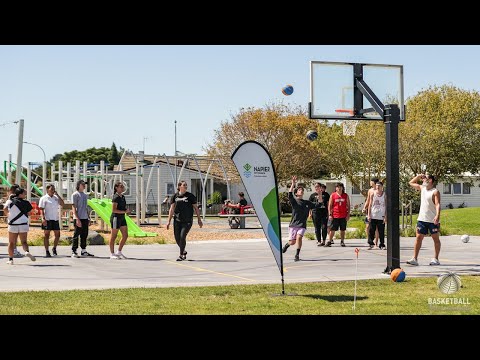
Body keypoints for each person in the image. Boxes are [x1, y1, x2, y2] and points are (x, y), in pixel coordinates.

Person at [406, 174, 441, 266]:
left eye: (425, 178)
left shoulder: (435, 192)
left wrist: (437, 216)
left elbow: (437, 204)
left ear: (430, 180)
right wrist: (418, 176)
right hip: (422, 219)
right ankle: (415, 259)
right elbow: (411, 183)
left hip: (432, 220)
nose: (423, 179)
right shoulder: (422, 188)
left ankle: (436, 259)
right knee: (418, 238)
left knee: (435, 239)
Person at [166, 180, 203, 261]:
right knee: (177, 238)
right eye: (184, 185)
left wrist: (199, 220)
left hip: (187, 221)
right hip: (177, 220)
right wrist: (168, 221)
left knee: (182, 237)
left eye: (186, 185)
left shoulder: (190, 196)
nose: (186, 186)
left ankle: (181, 255)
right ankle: (183, 250)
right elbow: (171, 209)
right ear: (179, 186)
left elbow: (196, 208)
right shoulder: (174, 196)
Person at [282, 176, 315, 261]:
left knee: (299, 238)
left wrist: (319, 194)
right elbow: (289, 194)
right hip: (293, 224)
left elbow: (318, 205)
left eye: (302, 190)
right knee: (292, 242)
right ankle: (286, 245)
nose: (301, 191)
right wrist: (293, 183)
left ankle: (297, 255)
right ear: (296, 193)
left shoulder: (307, 202)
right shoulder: (294, 201)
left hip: (302, 225)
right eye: (300, 190)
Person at [3, 187, 36, 265]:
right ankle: (26, 251)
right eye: (24, 193)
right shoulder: (26, 202)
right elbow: (29, 213)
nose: (25, 194)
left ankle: (10, 259)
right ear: (20, 194)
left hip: (13, 224)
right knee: (24, 241)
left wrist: (8, 215)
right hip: (23, 224)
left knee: (11, 242)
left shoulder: (10, 201)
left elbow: (4, 208)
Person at [38, 184, 65, 257]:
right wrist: (43, 218)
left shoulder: (56, 198)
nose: (53, 190)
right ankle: (47, 250)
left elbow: (62, 204)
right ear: (47, 190)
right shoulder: (43, 198)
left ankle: (54, 248)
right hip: (47, 219)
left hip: (55, 219)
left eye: (54, 189)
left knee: (57, 235)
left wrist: (58, 195)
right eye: (51, 189)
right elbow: (41, 209)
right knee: (46, 235)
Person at [71, 180, 94, 258]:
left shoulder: (85, 195)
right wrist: (77, 219)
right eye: (83, 184)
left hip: (85, 217)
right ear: (79, 185)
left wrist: (88, 218)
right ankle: (74, 251)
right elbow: (73, 207)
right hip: (78, 217)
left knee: (84, 234)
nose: (84, 185)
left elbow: (86, 207)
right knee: (76, 234)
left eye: (85, 184)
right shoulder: (75, 195)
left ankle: (83, 250)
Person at [2, 184, 25, 258]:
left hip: (12, 220)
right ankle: (14, 251)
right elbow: (6, 208)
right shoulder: (13, 197)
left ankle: (14, 250)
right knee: (14, 238)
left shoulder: (10, 197)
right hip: (14, 220)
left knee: (13, 238)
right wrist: (9, 215)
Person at [109, 182, 130, 259]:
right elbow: (114, 210)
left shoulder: (123, 197)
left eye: (123, 187)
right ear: (116, 188)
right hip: (116, 218)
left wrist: (127, 211)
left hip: (122, 218)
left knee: (125, 235)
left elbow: (123, 207)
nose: (122, 188)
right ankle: (112, 253)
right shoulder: (115, 197)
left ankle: (119, 251)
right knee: (113, 236)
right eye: (120, 187)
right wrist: (124, 212)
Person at [326, 182, 350, 247]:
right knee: (332, 229)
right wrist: (330, 214)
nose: (339, 188)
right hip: (335, 215)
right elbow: (330, 205)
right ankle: (329, 241)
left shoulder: (345, 195)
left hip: (343, 215)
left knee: (342, 229)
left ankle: (342, 241)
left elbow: (348, 205)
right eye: (337, 187)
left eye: (340, 187)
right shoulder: (333, 195)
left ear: (342, 188)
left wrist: (348, 214)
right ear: (335, 188)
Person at [367, 181, 387, 250]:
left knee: (381, 231)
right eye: (377, 186)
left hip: (381, 215)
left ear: (382, 187)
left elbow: (386, 206)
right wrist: (369, 215)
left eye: (379, 186)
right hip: (373, 215)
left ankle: (382, 244)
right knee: (372, 230)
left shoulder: (384, 195)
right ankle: (371, 243)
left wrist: (385, 216)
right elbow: (370, 205)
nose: (378, 187)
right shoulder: (373, 194)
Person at [362, 178, 380, 247]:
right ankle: (369, 240)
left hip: (377, 211)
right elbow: (368, 200)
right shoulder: (370, 190)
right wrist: (364, 207)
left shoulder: (380, 190)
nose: (370, 183)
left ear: (374, 182)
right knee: (367, 226)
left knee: (376, 228)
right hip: (370, 210)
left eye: (371, 182)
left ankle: (376, 242)